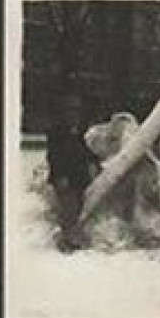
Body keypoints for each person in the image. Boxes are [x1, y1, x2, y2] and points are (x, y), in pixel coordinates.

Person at [46, 85, 101, 251]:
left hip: (79, 177)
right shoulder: (57, 133)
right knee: (69, 207)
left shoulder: (78, 132)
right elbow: (54, 157)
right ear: (64, 112)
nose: (74, 115)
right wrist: (59, 176)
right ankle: (67, 240)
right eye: (71, 111)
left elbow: (86, 152)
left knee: (79, 207)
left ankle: (75, 237)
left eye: (77, 111)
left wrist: (95, 163)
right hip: (65, 178)